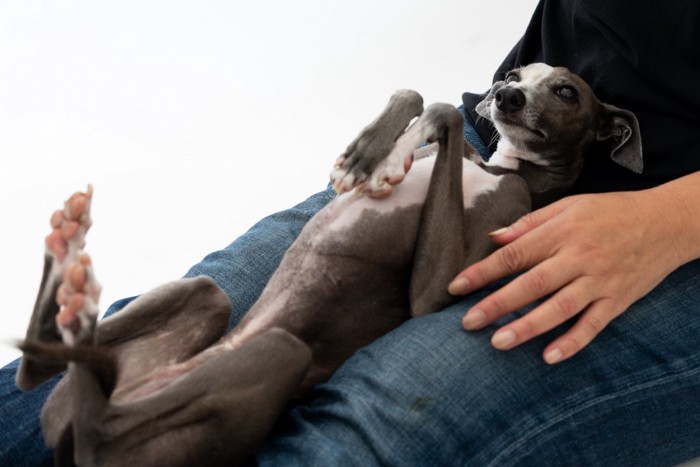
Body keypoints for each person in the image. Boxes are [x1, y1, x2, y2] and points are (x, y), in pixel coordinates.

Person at [2, 0, 699, 465]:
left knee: (372, 425)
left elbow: (433, 292)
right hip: (486, 140)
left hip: (667, 223)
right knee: (195, 306)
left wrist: (670, 219)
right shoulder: (498, 116)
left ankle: (101, 418)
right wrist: (437, 122)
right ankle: (68, 367)